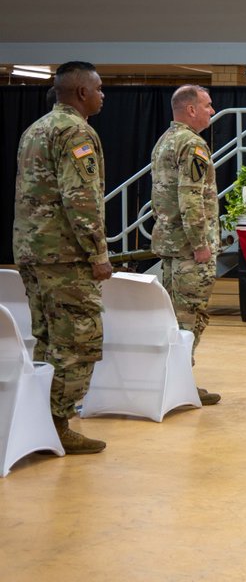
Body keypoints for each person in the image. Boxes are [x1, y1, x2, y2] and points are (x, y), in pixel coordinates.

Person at [13, 61, 112, 454]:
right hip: (66, 256)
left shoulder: (34, 129)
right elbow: (81, 199)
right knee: (78, 341)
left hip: (33, 250)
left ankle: (41, 417)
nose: (104, 95)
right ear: (82, 92)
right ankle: (58, 423)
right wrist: (97, 253)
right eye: (100, 89)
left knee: (47, 338)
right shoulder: (75, 131)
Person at [150, 85, 221, 406]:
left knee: (172, 316)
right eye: (207, 105)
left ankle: (171, 379)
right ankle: (180, 384)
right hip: (190, 250)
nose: (212, 110)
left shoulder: (166, 140)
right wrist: (200, 243)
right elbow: (190, 198)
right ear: (190, 109)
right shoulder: (192, 145)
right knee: (190, 316)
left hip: (170, 245)